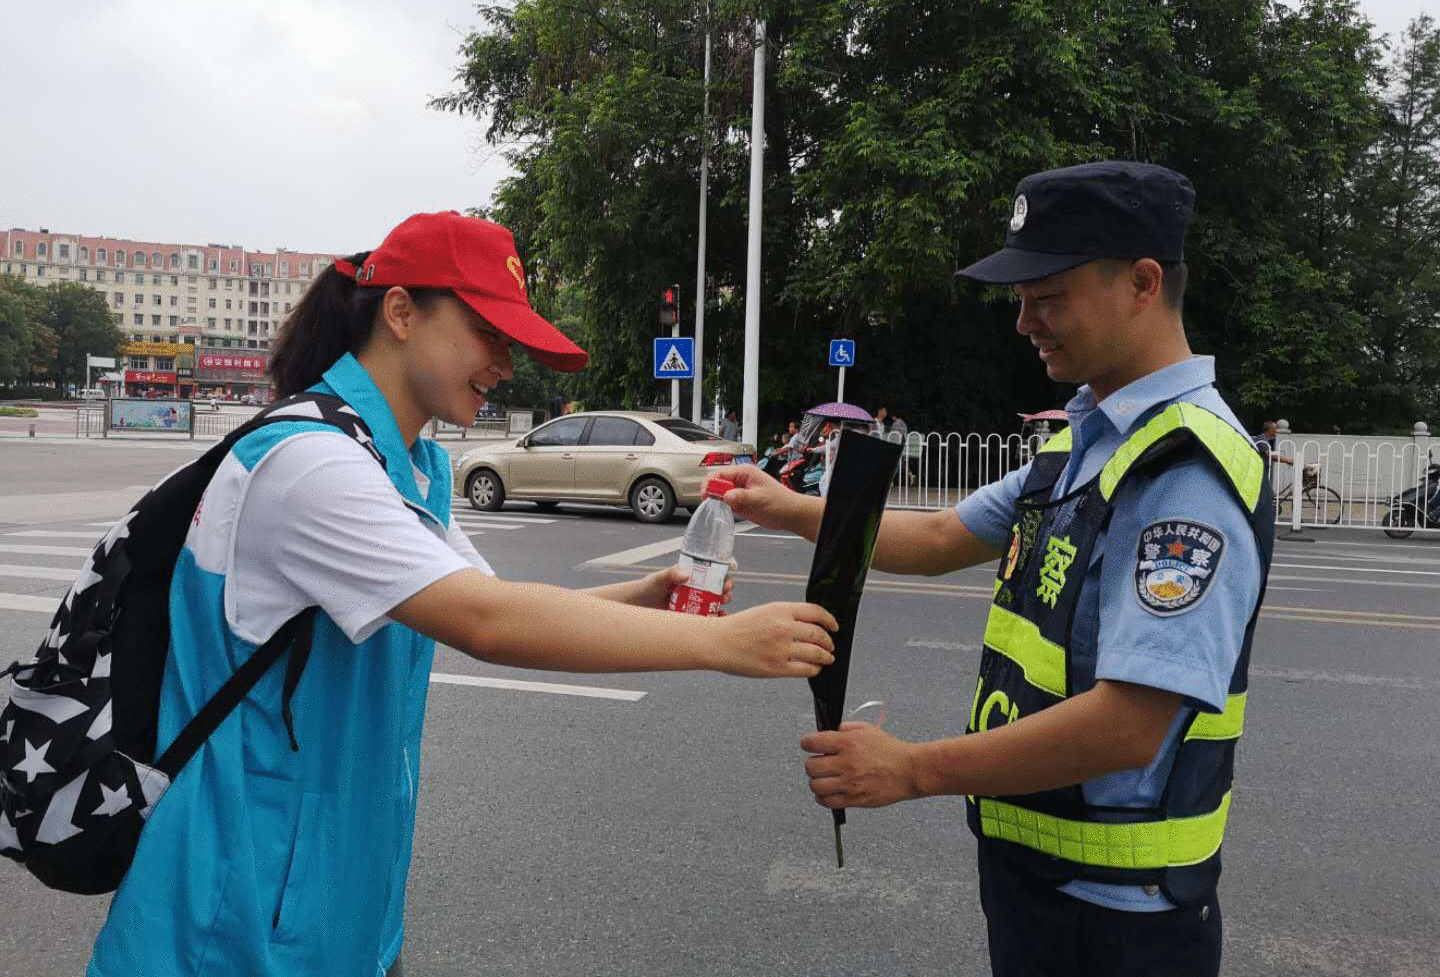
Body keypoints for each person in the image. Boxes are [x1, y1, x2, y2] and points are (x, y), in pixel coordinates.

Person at [85, 212, 836, 977]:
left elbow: (485, 596)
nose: (506, 364)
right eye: (489, 333)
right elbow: (485, 623)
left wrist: (647, 590)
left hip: (337, 906)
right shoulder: (312, 465)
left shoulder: (409, 467)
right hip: (232, 921)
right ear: (402, 312)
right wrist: (722, 644)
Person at [716, 161, 1273, 977]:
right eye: (1021, 301)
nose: (1024, 324)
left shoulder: (1184, 470)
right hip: (1042, 882)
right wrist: (792, 509)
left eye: (1046, 298)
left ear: (1142, 283)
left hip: (1118, 917)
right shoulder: (1088, 442)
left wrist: (912, 769)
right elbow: (944, 535)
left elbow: (1131, 724)